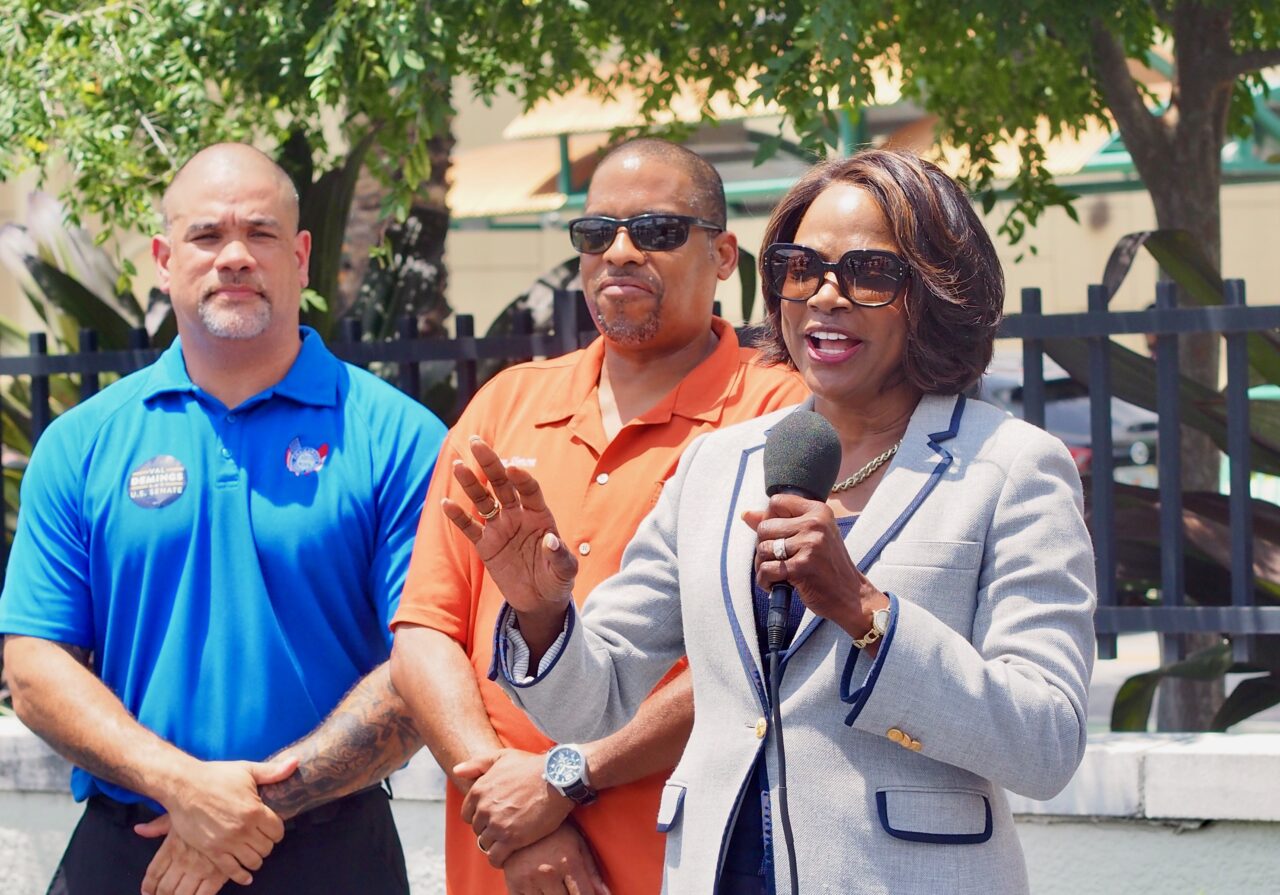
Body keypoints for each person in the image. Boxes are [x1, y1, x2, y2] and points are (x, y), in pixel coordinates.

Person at [446, 149, 1097, 893]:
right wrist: (539, 610)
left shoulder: (1013, 467)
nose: (825, 295)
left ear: (936, 293)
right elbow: (592, 702)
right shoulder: (716, 466)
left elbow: (1047, 743)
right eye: (801, 267)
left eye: (868, 273)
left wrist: (865, 614)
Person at [0, 143, 446, 895]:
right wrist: (181, 785)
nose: (234, 256)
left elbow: (429, 662)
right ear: (165, 257)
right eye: (207, 236)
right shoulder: (81, 442)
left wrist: (241, 812)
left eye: (261, 234)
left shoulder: (397, 436)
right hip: (132, 849)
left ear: (301, 257)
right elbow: (35, 668)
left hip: (335, 854)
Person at [389, 138, 806, 894]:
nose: (618, 251)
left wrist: (560, 783)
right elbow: (425, 635)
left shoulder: (777, 410)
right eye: (595, 233)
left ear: (724, 257)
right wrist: (509, 820)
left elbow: (761, 655)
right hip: (500, 867)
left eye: (656, 231)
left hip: (688, 863)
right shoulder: (506, 402)